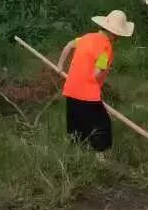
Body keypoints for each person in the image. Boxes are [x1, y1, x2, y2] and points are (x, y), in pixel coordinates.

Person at [56, 9, 135, 155]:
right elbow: (97, 72)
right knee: (102, 125)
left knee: (75, 125)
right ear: (114, 33)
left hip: (71, 90)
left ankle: (75, 154)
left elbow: (69, 45)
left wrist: (60, 65)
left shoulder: (86, 37)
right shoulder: (106, 47)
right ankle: (100, 156)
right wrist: (103, 72)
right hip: (88, 94)